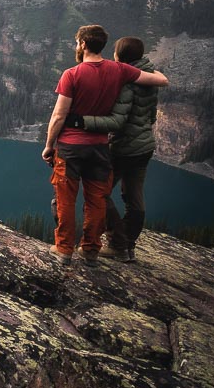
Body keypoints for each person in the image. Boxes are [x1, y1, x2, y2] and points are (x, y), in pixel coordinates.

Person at [41, 25, 169, 267]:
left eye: (77, 42)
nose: (76, 46)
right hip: (100, 148)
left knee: (65, 198)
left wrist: (49, 145)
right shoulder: (120, 70)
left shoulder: (72, 74)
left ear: (83, 45)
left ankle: (64, 249)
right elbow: (160, 80)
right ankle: (90, 250)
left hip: (70, 147)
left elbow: (58, 116)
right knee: (97, 199)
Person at [64, 37, 158, 264]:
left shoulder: (127, 82)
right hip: (144, 146)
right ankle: (129, 247)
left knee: (99, 194)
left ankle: (118, 244)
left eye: (115, 52)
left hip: (123, 148)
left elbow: (116, 122)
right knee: (135, 198)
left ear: (120, 56)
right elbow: (152, 116)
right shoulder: (150, 78)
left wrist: (82, 121)